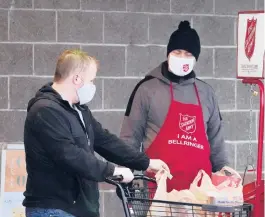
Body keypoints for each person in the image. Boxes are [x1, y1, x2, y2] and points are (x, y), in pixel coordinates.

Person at [23, 49, 169, 217]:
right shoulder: (45, 111)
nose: (92, 86)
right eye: (91, 81)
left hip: (79, 207)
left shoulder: (78, 109)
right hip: (54, 208)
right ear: (77, 79)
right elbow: (70, 155)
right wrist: (113, 171)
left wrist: (145, 162)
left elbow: (105, 141)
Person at [120, 20, 230, 193]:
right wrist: (125, 173)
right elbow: (129, 137)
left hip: (200, 194)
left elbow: (217, 142)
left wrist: (225, 176)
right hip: (159, 192)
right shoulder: (147, 89)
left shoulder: (207, 93)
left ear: (195, 58)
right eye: (177, 52)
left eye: (188, 54)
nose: (182, 57)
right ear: (168, 53)